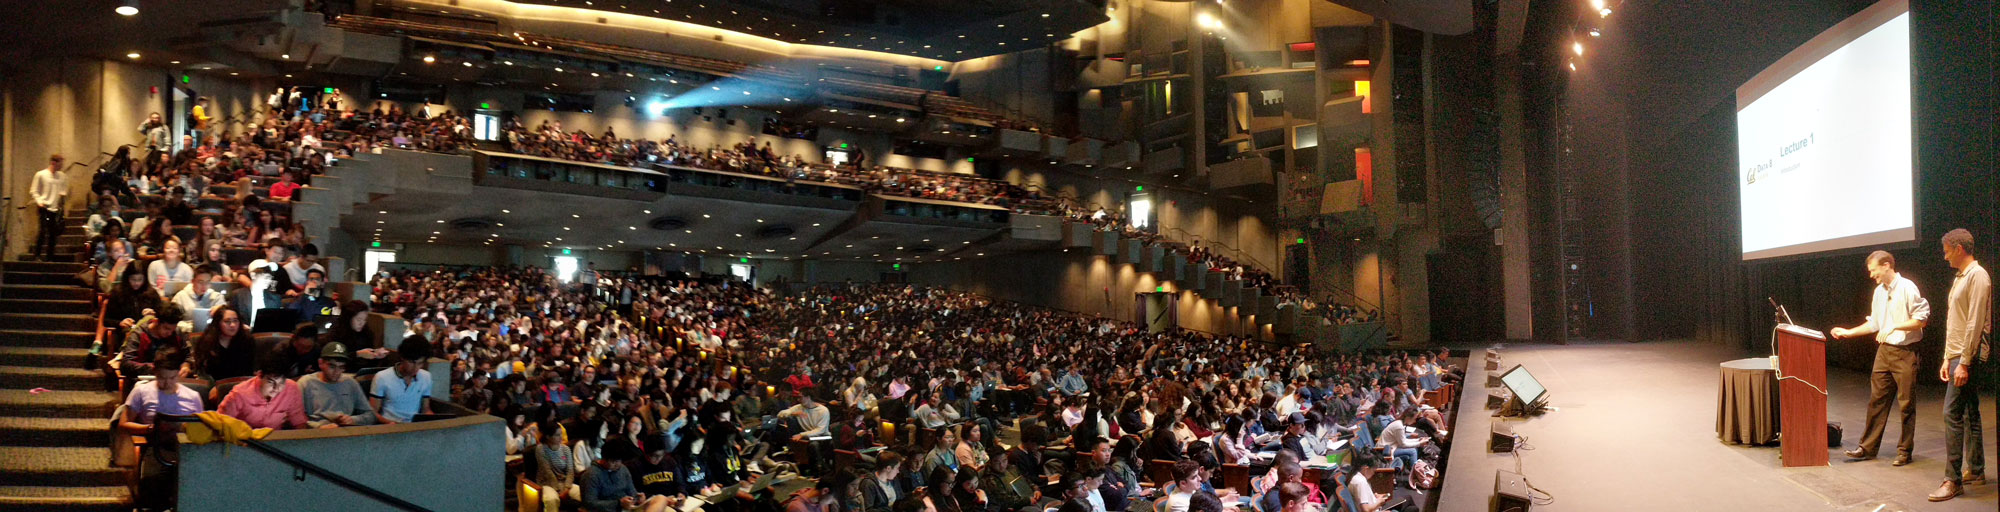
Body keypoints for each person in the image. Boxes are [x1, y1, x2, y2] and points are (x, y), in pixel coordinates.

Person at [1832, 250, 1931, 465]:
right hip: (1884, 352)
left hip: (1905, 352)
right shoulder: (1878, 292)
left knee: (1906, 404)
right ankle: (1867, 448)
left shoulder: (1907, 287)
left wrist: (1895, 325)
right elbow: (1875, 324)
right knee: (1876, 401)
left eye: (1873, 270)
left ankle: (1904, 451)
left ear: (1886, 265)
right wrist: (1848, 332)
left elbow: (1921, 320)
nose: (1871, 275)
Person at [1933, 229, 1989, 501]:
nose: (1944, 257)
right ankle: (1976, 469)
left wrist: (1963, 362)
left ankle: (1952, 480)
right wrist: (1947, 357)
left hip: (1967, 355)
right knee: (1969, 411)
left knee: (1951, 413)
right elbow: (1954, 321)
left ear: (1958, 248)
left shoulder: (1978, 276)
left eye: (1946, 250)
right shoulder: (1961, 277)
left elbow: (1975, 322)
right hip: (1957, 353)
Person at [218, 352, 309, 430]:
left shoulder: (291, 388)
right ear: (260, 375)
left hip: (274, 440)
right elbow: (220, 423)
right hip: (242, 440)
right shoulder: (239, 393)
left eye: (281, 383)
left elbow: (299, 422)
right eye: (271, 382)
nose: (276, 389)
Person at [299, 341, 379, 428]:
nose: (337, 372)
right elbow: (296, 420)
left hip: (345, 431)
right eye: (332, 367)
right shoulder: (306, 383)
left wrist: (353, 420)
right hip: (315, 434)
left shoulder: (350, 383)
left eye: (341, 367)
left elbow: (371, 416)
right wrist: (318, 427)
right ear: (320, 363)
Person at [581, 438, 667, 512]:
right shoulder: (591, 475)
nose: (617, 464)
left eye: (619, 461)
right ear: (604, 458)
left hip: (628, 507)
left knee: (661, 498)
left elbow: (631, 491)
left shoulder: (623, 469)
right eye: (613, 461)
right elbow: (589, 503)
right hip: (611, 509)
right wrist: (618, 503)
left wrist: (638, 497)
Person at [370, 335, 435, 424]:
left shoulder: (426, 377)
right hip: (389, 426)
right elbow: (372, 412)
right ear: (402, 357)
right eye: (411, 362)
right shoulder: (382, 377)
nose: (415, 368)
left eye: (420, 363)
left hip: (414, 427)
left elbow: (426, 409)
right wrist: (388, 423)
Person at [191, 307, 257, 381]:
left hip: (241, 384)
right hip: (213, 385)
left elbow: (249, 370)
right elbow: (203, 372)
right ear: (218, 323)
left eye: (235, 321)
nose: (232, 325)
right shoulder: (207, 342)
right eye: (227, 321)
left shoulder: (247, 340)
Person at [30, 153, 67, 261]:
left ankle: (49, 256)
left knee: (53, 233)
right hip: (44, 206)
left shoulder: (62, 176)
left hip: (55, 208)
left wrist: (61, 204)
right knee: (42, 231)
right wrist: (39, 201)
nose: (62, 165)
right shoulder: (41, 174)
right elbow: (34, 190)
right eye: (60, 162)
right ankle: (37, 255)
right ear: (53, 162)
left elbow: (62, 192)